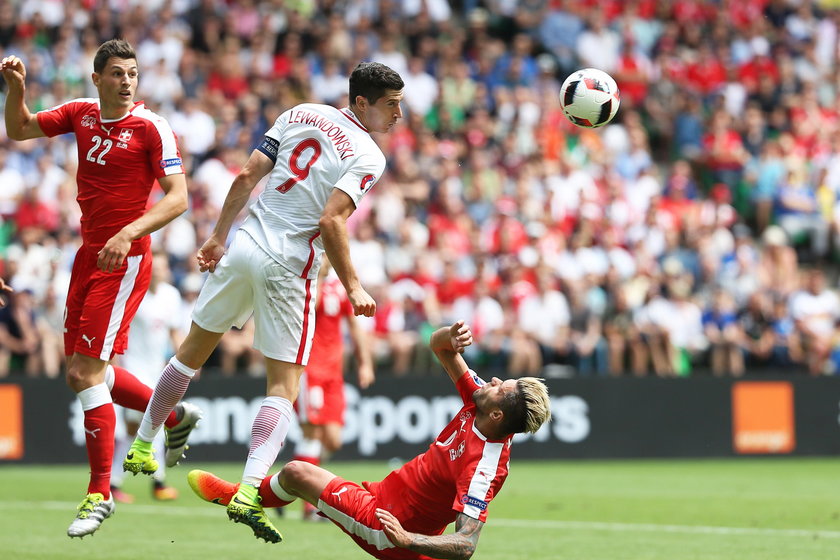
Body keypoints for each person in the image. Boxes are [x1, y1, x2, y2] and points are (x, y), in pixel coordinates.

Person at [124, 61, 405, 543]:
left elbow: (247, 175)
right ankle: (250, 490)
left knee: (190, 352)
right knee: (283, 387)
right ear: (361, 102)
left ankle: (143, 446)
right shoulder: (368, 154)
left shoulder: (301, 113)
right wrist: (355, 285)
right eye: (391, 105)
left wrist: (217, 237)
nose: (399, 114)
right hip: (289, 265)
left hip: (245, 245)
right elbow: (333, 221)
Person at [1, 39, 202, 538]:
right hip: (88, 256)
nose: (127, 81)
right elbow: (19, 128)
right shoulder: (81, 114)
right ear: (97, 79)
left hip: (125, 258)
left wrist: (129, 232)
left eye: (132, 73)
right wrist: (16, 90)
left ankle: (98, 493)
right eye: (116, 73)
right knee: (83, 375)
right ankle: (172, 415)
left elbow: (178, 200)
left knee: (86, 371)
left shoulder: (152, 127)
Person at [187, 320, 552, 558]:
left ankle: (240, 497)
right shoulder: (478, 403)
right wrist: (450, 336)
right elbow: (439, 347)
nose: (491, 381)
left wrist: (409, 540)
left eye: (499, 387)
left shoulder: (484, 465)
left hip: (388, 526)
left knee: (299, 472)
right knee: (300, 471)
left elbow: (467, 543)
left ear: (498, 415)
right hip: (382, 496)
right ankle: (248, 500)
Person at [293, 254, 375, 521]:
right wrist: (318, 271)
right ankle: (310, 504)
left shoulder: (340, 289)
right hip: (309, 371)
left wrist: (365, 363)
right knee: (312, 435)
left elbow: (354, 326)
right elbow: (308, 308)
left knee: (333, 440)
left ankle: (293, 480)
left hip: (333, 375)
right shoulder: (306, 283)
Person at [109, 253, 186, 503]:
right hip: (134, 368)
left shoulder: (171, 296)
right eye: (158, 267)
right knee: (137, 427)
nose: (162, 271)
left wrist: (187, 360)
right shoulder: (135, 294)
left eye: (164, 266)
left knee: (154, 424)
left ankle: (154, 482)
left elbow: (174, 330)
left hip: (158, 370)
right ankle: (115, 482)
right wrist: (115, 363)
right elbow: (119, 327)